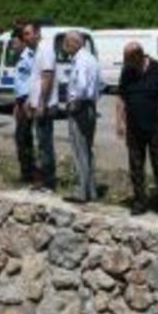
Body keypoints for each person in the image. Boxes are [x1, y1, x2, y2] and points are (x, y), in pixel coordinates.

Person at [115, 42, 158, 215]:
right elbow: (121, 97)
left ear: (139, 57)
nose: (127, 65)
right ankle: (139, 201)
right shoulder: (127, 72)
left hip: (156, 127)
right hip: (134, 127)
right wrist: (119, 122)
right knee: (136, 166)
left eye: (128, 60)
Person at [63, 31, 100, 203]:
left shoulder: (81, 59)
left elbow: (83, 85)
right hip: (89, 106)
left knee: (79, 150)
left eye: (66, 42)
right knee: (87, 149)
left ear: (75, 42)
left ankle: (82, 191)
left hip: (81, 107)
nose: (64, 46)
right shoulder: (91, 58)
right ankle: (91, 190)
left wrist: (74, 102)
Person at [23, 21, 59, 193]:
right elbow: (36, 79)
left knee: (45, 143)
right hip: (38, 103)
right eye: (24, 34)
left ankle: (49, 182)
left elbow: (47, 76)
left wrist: (42, 103)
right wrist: (30, 100)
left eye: (28, 33)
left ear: (37, 32)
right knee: (41, 142)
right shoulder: (39, 50)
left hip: (45, 104)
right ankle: (43, 180)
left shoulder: (45, 49)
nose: (25, 38)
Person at [10, 28, 35, 183]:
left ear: (22, 41)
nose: (12, 46)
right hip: (21, 101)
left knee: (23, 137)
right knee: (22, 137)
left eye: (14, 43)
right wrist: (16, 103)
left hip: (27, 101)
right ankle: (26, 172)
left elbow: (34, 80)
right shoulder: (19, 57)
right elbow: (19, 82)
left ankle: (28, 173)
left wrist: (27, 101)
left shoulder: (29, 57)